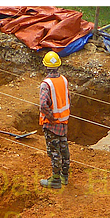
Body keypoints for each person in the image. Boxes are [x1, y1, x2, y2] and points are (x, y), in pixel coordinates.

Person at [38, 50, 70, 189]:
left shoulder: (46, 84)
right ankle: (64, 176)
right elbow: (68, 99)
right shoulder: (64, 80)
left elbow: (43, 104)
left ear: (45, 66)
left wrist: (50, 118)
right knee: (64, 149)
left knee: (54, 152)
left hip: (52, 124)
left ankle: (55, 180)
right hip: (63, 122)